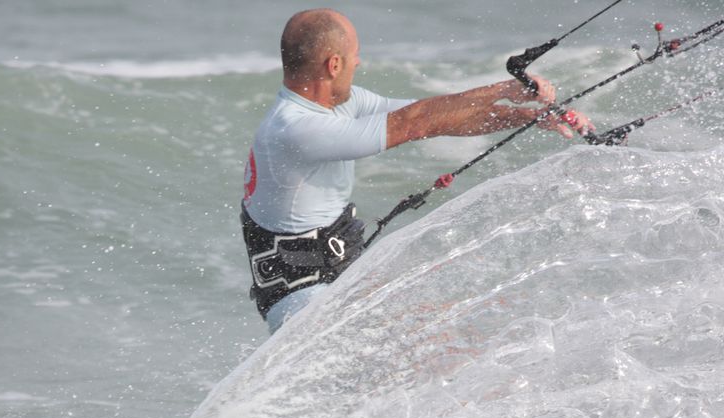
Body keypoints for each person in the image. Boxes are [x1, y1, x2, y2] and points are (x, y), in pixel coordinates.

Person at [241, 8, 593, 333]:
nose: (359, 62)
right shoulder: (296, 129)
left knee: (461, 327)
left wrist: (529, 116)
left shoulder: (339, 105)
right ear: (334, 65)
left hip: (335, 278)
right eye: (354, 56)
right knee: (434, 353)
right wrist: (504, 90)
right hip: (303, 303)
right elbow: (416, 123)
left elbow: (436, 117)